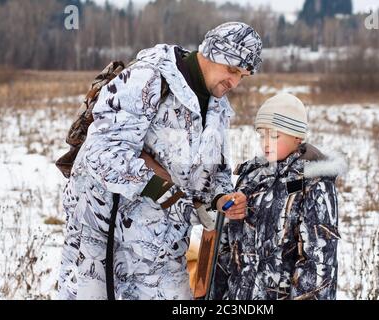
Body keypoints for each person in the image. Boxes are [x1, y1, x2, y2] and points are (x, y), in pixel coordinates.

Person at [58, 21, 262, 300]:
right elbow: (102, 153)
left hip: (163, 247)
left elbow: (215, 174)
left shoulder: (218, 109)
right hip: (103, 242)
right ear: (212, 53)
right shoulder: (149, 78)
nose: (235, 82)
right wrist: (165, 191)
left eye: (243, 76)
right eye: (232, 70)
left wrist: (221, 199)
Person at [211, 93, 347, 300]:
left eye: (274, 136)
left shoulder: (314, 183)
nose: (266, 143)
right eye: (262, 135)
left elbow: (317, 262)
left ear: (297, 137)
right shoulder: (251, 178)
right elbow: (228, 247)